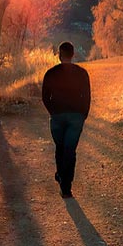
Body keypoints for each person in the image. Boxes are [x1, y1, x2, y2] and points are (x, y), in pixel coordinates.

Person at [42, 41, 91, 198]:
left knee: (60, 147)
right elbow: (87, 97)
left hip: (57, 116)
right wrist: (83, 114)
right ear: (73, 55)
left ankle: (62, 177)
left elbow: (45, 96)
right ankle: (66, 186)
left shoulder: (50, 73)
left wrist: (53, 111)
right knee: (70, 150)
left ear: (59, 55)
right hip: (76, 116)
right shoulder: (82, 73)